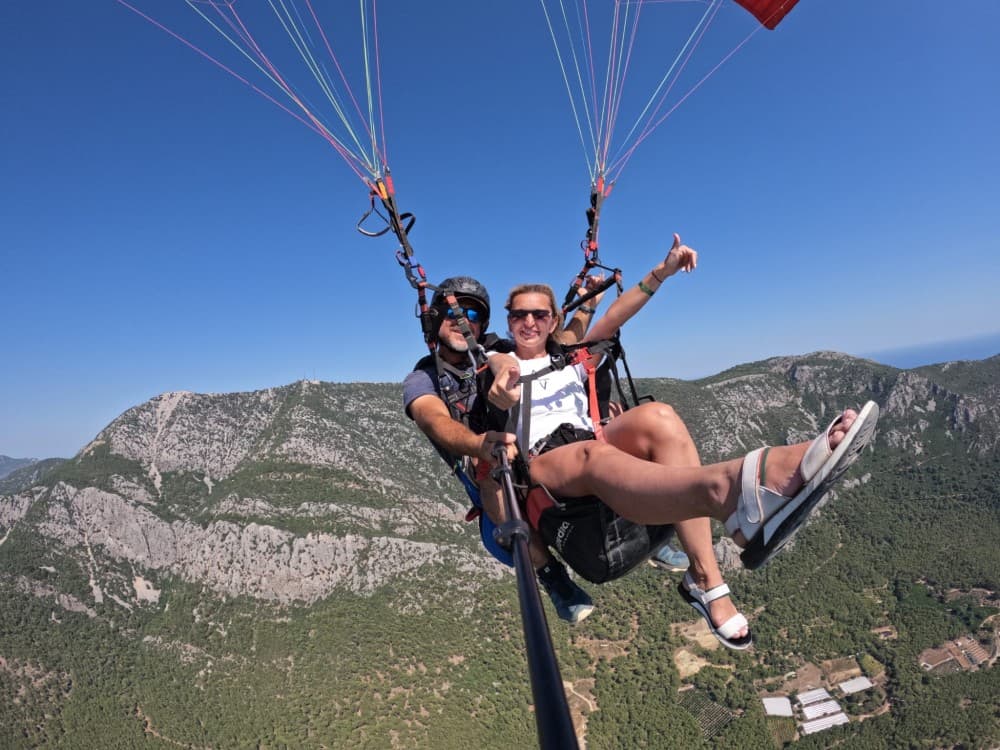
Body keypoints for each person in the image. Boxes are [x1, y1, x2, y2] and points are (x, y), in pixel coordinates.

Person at [483, 234, 879, 644]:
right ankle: (733, 488)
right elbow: (497, 373)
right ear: (509, 322)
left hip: (591, 438)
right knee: (591, 455)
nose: (529, 323)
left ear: (553, 321)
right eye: (519, 316)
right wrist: (502, 387)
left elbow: (616, 315)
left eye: (539, 315)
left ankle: (705, 580)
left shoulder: (570, 359)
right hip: (546, 461)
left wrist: (663, 271)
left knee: (660, 416)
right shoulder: (503, 361)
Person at [402, 276, 600, 624]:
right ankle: (550, 574)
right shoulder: (425, 378)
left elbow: (565, 339)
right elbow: (433, 419)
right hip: (494, 466)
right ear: (433, 320)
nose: (462, 320)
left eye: (472, 314)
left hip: (538, 446)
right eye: (452, 313)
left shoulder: (498, 349)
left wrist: (588, 305)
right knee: (492, 476)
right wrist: (478, 445)